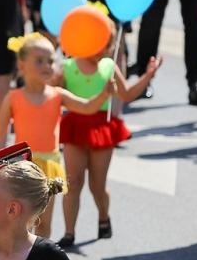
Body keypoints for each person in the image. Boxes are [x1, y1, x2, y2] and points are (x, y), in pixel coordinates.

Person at [57, 33, 158, 247]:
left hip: (102, 127)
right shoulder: (68, 66)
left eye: (108, 46)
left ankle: (104, 216)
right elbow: (53, 94)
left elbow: (127, 94)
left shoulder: (109, 67)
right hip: (75, 126)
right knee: (73, 183)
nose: (105, 50)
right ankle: (69, 232)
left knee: (97, 185)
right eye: (101, 45)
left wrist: (148, 76)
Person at [0, 34, 73, 236]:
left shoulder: (57, 94)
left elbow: (87, 107)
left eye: (51, 61)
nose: (47, 66)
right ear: (22, 64)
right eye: (40, 61)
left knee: (43, 222)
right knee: (21, 220)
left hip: (49, 166)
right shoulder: (14, 97)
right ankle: (19, 259)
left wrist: (105, 94)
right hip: (24, 166)